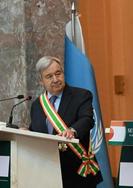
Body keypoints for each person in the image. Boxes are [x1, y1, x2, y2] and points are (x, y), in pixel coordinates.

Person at [29, 56, 102, 188]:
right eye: (49, 76)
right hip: (46, 172)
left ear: (63, 73)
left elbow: (86, 119)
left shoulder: (81, 95)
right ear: (41, 81)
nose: (55, 79)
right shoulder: (37, 105)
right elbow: (35, 130)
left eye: (58, 73)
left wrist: (72, 131)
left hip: (76, 172)